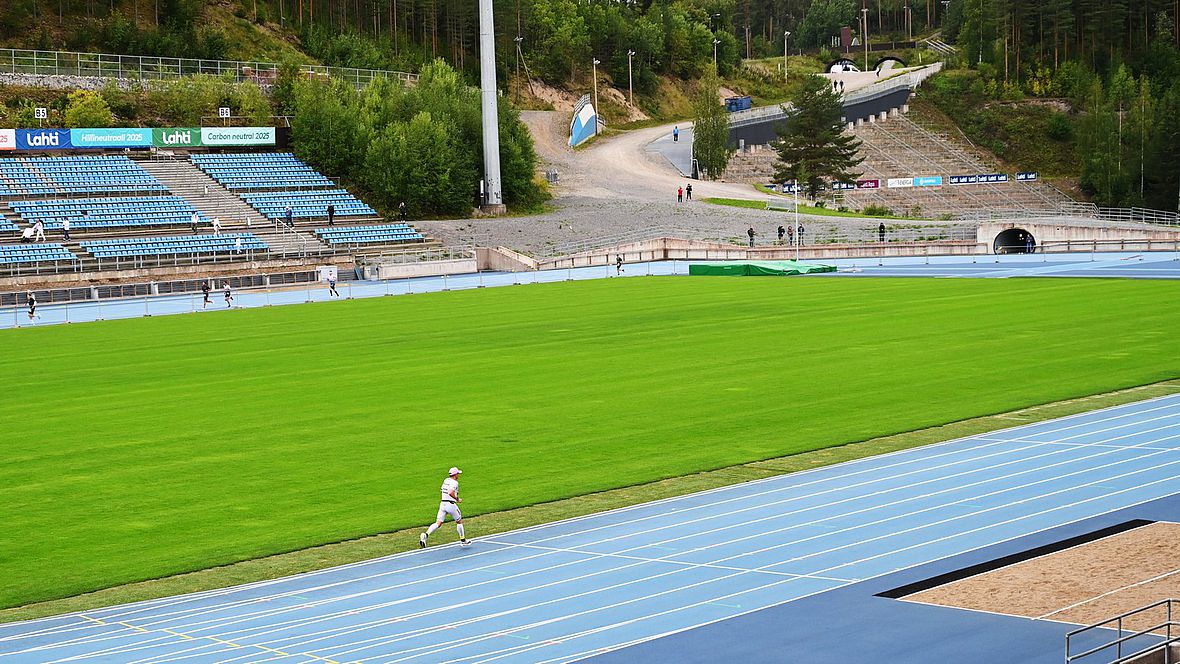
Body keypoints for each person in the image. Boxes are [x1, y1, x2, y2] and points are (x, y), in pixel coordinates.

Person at [420, 467, 469, 547]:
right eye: (458, 474)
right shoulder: (454, 483)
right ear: (455, 474)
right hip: (450, 504)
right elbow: (450, 492)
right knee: (459, 521)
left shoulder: (446, 480)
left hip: (443, 504)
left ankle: (426, 535)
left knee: (438, 523)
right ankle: (463, 540)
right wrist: (457, 499)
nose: (458, 475)